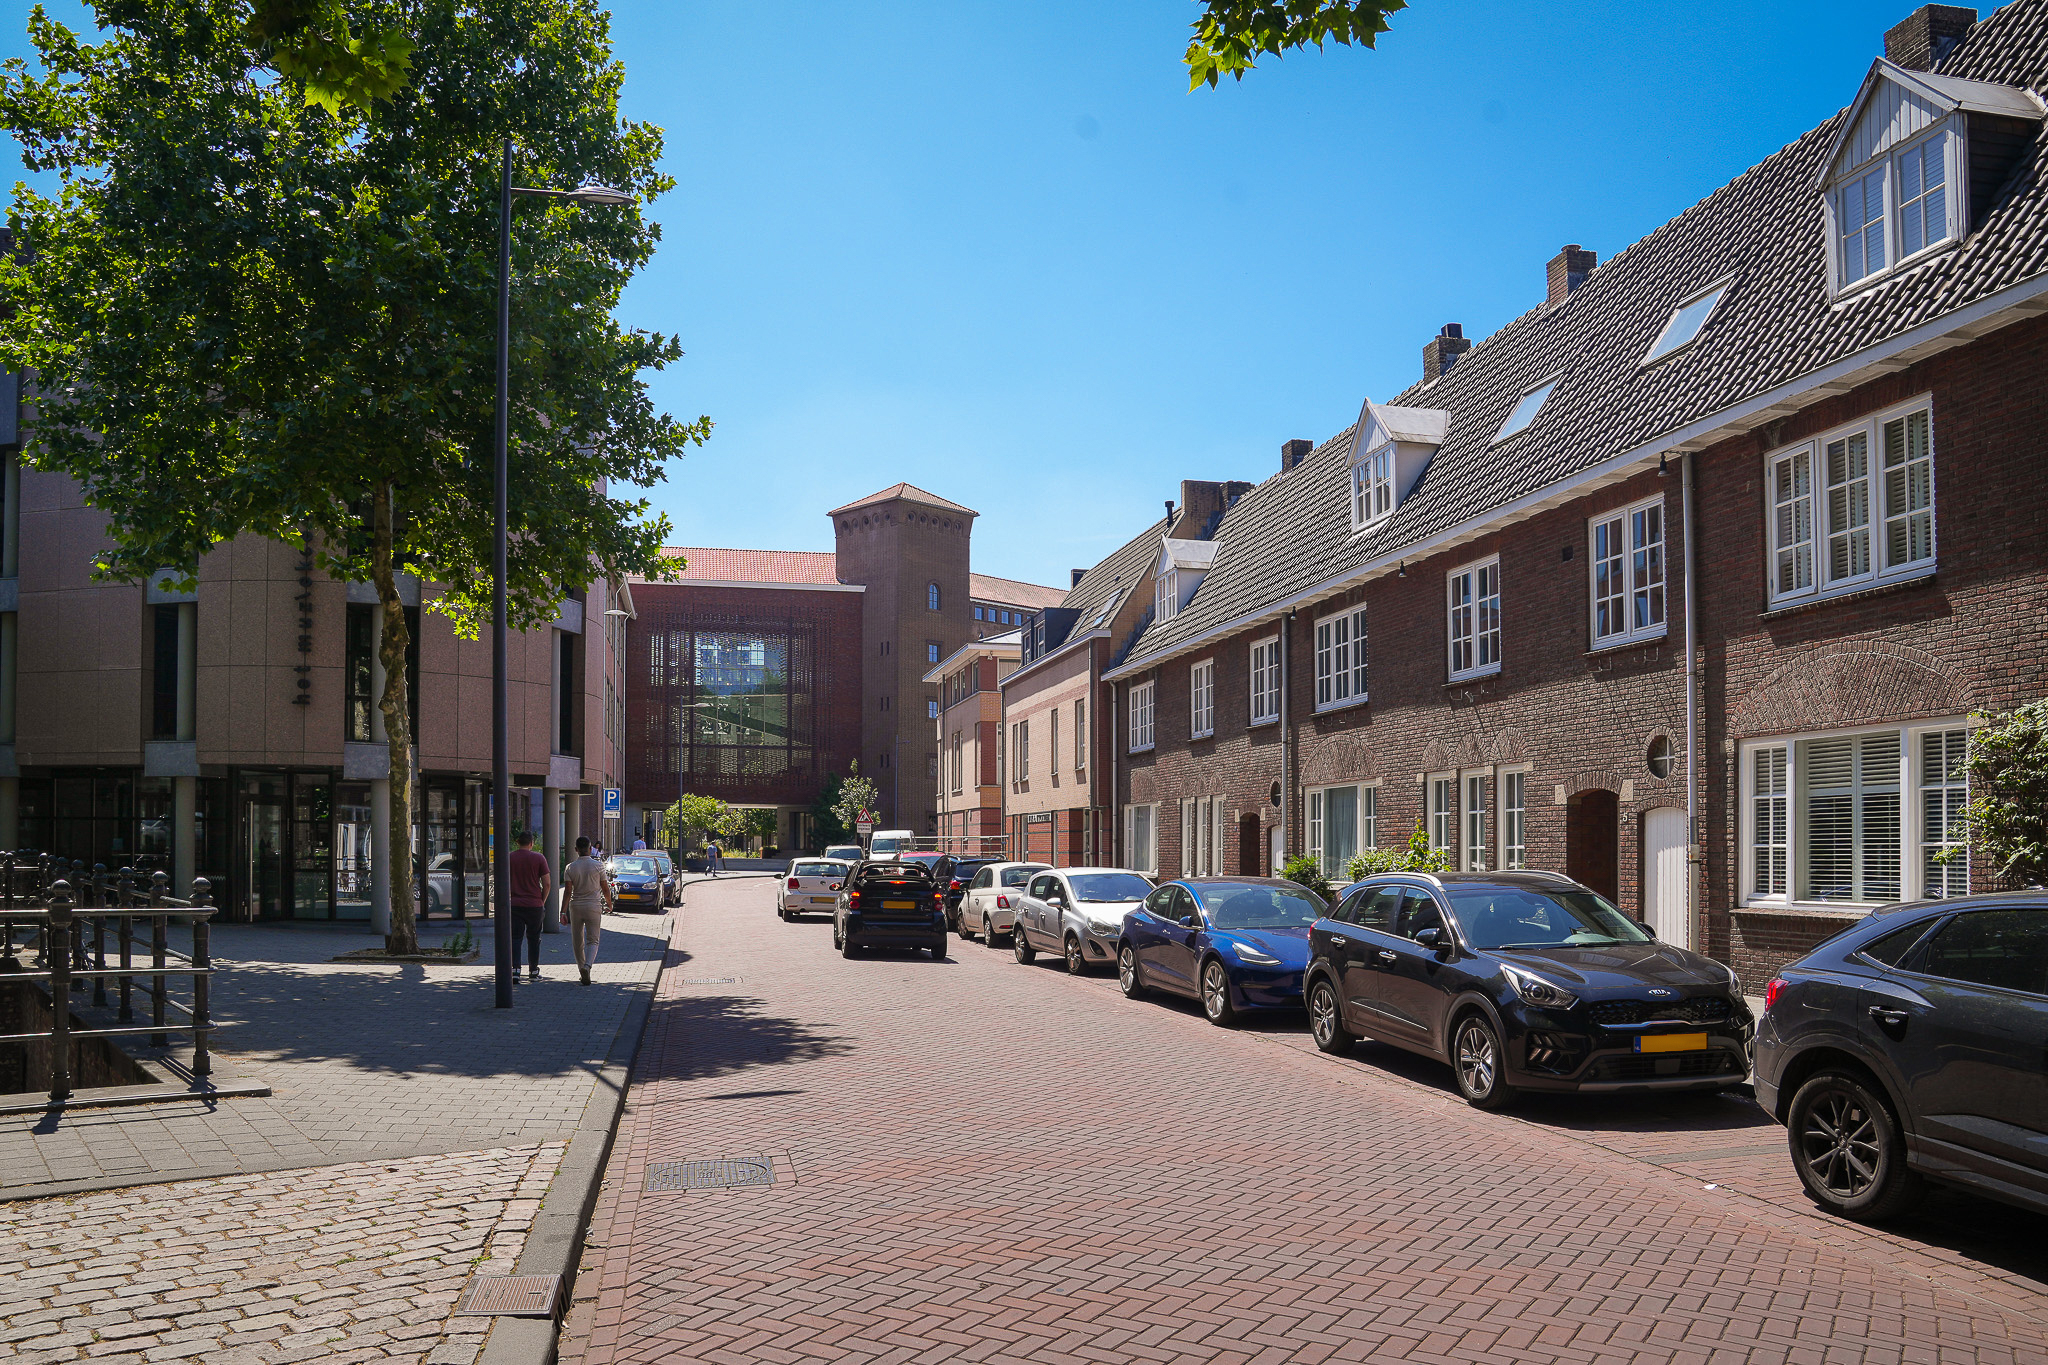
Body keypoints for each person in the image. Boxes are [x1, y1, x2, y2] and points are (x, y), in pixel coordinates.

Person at [560, 835, 614, 985]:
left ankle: (581, 969)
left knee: (577, 941)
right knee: (593, 940)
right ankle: (587, 966)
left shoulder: (570, 867)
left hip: (576, 906)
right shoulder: (598, 866)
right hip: (594, 906)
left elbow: (567, 892)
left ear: (576, 849)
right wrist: (609, 904)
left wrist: (563, 912)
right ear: (590, 849)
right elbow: (605, 888)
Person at [508, 831, 552, 982]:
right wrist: (542, 900)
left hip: (515, 904)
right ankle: (533, 971)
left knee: (515, 938)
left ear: (517, 842)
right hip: (534, 904)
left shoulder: (510, 857)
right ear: (531, 843)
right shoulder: (539, 858)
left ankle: (515, 970)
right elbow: (547, 883)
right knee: (534, 938)